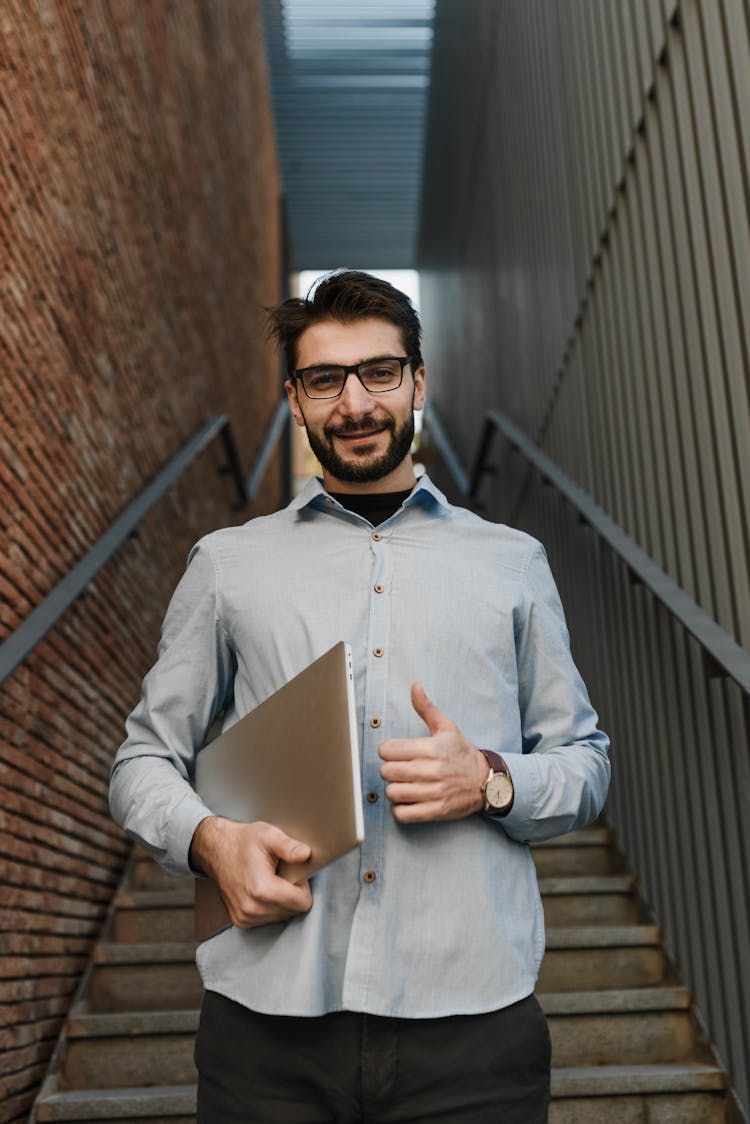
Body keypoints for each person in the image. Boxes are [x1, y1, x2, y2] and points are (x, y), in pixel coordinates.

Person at [110, 270, 610, 1123]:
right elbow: (144, 759)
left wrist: (489, 779)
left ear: (419, 381)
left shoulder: (513, 561)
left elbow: (585, 764)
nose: (356, 402)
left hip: (474, 1031)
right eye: (324, 379)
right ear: (295, 403)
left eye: (380, 372)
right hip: (264, 1028)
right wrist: (208, 841)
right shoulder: (228, 563)